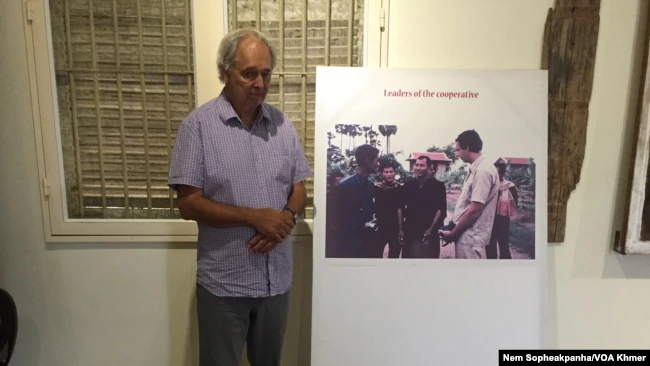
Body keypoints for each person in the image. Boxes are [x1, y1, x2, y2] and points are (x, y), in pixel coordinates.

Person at [167, 27, 313, 366]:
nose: (259, 83)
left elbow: (298, 187)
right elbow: (188, 204)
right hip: (225, 285)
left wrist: (286, 218)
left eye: (265, 74)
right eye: (249, 74)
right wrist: (254, 217)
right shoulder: (198, 127)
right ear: (224, 72)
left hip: (276, 281)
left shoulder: (281, 124)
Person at [440, 130, 499, 259]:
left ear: (467, 147)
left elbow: (475, 211)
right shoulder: (477, 168)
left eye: (458, 150)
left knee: (468, 276)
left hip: (471, 237)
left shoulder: (483, 171)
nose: (457, 154)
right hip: (467, 235)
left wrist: (453, 234)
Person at [328, 144, 380, 258]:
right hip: (348, 247)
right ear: (367, 160)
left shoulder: (370, 186)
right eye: (377, 160)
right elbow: (335, 220)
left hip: (367, 245)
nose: (378, 164)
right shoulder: (344, 187)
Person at [398, 156, 447, 258]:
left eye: (422, 165)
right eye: (416, 165)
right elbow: (400, 207)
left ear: (429, 168)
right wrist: (401, 229)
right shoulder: (408, 186)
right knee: (409, 265)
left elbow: (440, 209)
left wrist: (431, 229)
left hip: (428, 234)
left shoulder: (438, 186)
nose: (418, 168)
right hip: (410, 232)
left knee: (428, 266)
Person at [486, 163, 519, 259]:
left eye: (497, 172)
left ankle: (506, 270)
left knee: (504, 246)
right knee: (489, 246)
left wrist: (503, 206)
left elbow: (515, 203)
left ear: (502, 173)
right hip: (489, 220)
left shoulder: (510, 186)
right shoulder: (488, 186)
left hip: (503, 220)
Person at [373, 163, 404, 258]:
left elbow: (400, 209)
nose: (389, 174)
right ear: (381, 174)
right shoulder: (376, 188)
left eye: (391, 172)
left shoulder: (400, 188)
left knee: (394, 255)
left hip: (395, 228)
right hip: (380, 227)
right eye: (386, 172)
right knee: (376, 254)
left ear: (395, 173)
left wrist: (401, 229)